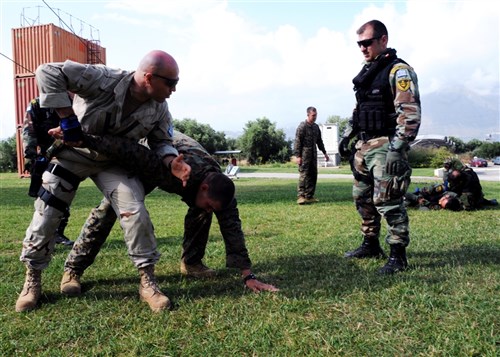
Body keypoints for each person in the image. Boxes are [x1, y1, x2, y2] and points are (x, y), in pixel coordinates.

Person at [16, 50, 191, 313]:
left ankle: (147, 281)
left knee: (136, 210)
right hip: (73, 155)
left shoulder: (159, 109)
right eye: (170, 82)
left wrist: (171, 162)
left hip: (111, 163)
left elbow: (162, 143)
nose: (173, 90)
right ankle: (33, 281)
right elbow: (46, 71)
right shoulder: (103, 79)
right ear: (149, 77)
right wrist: (67, 119)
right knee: (48, 212)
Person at [59, 131, 279, 299]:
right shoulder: (175, 168)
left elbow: (232, 228)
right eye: (211, 203)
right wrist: (82, 138)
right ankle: (73, 269)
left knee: (202, 211)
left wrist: (247, 275)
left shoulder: (218, 189)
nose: (212, 209)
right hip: (151, 156)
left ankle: (191, 263)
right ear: (202, 188)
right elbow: (127, 149)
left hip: (180, 169)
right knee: (109, 209)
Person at [338, 20, 421, 274]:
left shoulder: (398, 71)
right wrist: (348, 135)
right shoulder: (368, 71)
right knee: (362, 197)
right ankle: (370, 243)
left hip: (386, 146)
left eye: (367, 43)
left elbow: (410, 113)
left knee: (388, 200)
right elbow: (360, 108)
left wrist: (398, 148)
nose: (363, 48)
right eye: (359, 44)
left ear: (383, 40)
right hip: (364, 146)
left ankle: (398, 255)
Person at [22, 97, 73, 246]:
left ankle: (58, 234)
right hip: (45, 156)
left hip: (67, 153)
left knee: (63, 194)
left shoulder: (69, 101)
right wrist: (29, 155)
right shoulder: (36, 104)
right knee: (45, 198)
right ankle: (41, 237)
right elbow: (28, 130)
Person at [294, 106, 329, 205]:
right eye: (313, 115)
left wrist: (325, 153)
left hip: (313, 154)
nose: (315, 117)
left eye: (316, 115)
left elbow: (319, 141)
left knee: (313, 175)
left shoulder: (316, 127)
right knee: (303, 175)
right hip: (304, 155)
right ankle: (301, 196)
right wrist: (298, 156)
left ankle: (309, 196)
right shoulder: (302, 126)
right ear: (308, 114)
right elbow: (297, 141)